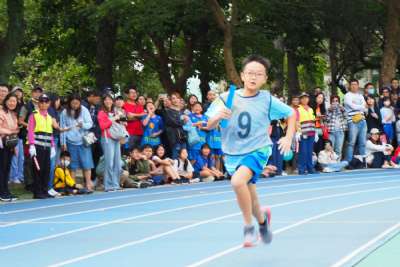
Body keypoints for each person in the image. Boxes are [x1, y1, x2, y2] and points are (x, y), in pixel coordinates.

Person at [206, 55, 295, 246]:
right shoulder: (225, 98)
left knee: (237, 183)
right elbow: (209, 125)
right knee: (251, 197)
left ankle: (249, 228)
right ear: (242, 76)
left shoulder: (267, 99)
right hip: (232, 153)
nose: (254, 77)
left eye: (259, 74)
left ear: (265, 78)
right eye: (250, 73)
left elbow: (291, 113)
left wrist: (288, 137)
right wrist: (217, 117)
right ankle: (262, 221)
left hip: (258, 149)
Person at [60, 94, 95, 191]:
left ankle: (88, 184)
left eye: (77, 103)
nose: (75, 105)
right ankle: (72, 184)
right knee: (72, 165)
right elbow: (62, 128)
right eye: (73, 103)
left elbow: (90, 124)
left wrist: (82, 124)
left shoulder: (84, 110)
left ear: (80, 103)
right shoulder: (64, 112)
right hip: (70, 141)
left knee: (87, 164)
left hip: (83, 141)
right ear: (69, 103)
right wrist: (63, 143)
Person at [28, 94, 59, 199]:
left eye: (46, 102)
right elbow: (30, 131)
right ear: (38, 103)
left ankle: (44, 190)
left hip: (47, 147)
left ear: (49, 103)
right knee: (38, 169)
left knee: (47, 169)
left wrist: (53, 146)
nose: (44, 104)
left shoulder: (50, 117)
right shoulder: (34, 115)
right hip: (37, 147)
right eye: (41, 102)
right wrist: (31, 145)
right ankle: (37, 192)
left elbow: (50, 133)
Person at [97, 94, 122, 191]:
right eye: (106, 99)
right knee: (109, 163)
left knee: (117, 163)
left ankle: (116, 184)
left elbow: (121, 124)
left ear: (113, 101)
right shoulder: (101, 113)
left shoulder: (115, 111)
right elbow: (102, 126)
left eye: (110, 99)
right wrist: (114, 119)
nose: (108, 101)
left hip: (116, 138)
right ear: (103, 101)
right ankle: (108, 185)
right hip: (107, 139)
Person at [0, 93, 20, 201]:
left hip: (10, 145)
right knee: (2, 169)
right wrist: (10, 132)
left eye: (15, 101)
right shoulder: (1, 112)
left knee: (7, 169)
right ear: (6, 101)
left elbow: (16, 131)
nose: (12, 103)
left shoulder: (13, 114)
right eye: (10, 100)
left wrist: (15, 146)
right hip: (2, 144)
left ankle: (6, 191)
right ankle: (2, 193)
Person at [344, 79, 367, 163]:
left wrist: (360, 106)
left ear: (358, 85)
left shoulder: (361, 96)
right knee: (351, 143)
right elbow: (352, 106)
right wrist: (361, 106)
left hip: (362, 120)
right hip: (352, 121)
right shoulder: (347, 95)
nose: (354, 86)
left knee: (363, 142)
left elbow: (365, 107)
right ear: (350, 86)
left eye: (355, 84)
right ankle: (348, 162)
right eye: (352, 84)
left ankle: (363, 162)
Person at [297, 92, 318, 175]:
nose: (305, 99)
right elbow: (296, 121)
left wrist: (315, 132)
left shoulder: (310, 109)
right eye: (303, 98)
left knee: (310, 151)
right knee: (303, 151)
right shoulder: (298, 109)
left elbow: (313, 120)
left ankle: (310, 168)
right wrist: (298, 132)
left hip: (311, 132)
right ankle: (301, 169)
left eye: (306, 98)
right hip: (303, 132)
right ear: (300, 99)